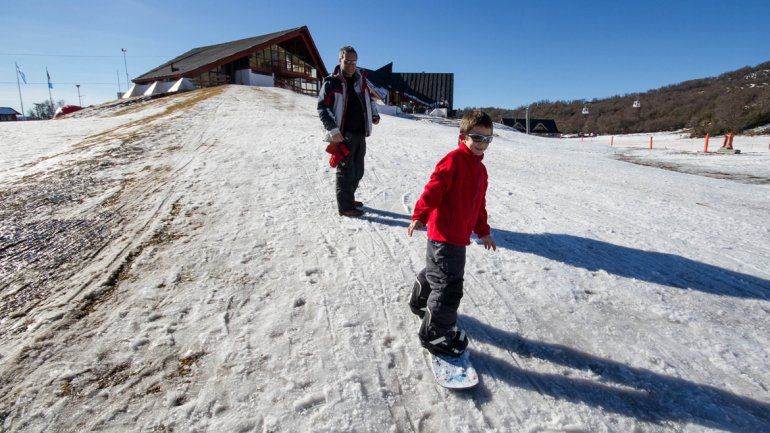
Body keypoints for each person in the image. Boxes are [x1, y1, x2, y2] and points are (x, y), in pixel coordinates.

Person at [407, 110, 497, 357]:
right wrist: (420, 215)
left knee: (437, 271)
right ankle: (434, 334)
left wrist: (483, 231)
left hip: (455, 236)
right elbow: (433, 189)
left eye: (487, 139)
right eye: (477, 137)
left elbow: (478, 204)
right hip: (445, 235)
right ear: (462, 136)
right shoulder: (453, 160)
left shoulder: (480, 170)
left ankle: (420, 299)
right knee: (448, 287)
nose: (482, 144)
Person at [317, 46, 380, 218]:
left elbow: (369, 100)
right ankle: (345, 207)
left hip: (360, 133)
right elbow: (323, 108)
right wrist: (333, 131)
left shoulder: (361, 81)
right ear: (340, 60)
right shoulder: (332, 83)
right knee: (346, 172)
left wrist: (374, 115)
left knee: (358, 171)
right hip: (343, 135)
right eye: (347, 62)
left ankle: (349, 198)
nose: (351, 65)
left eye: (354, 62)